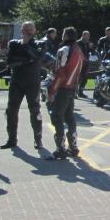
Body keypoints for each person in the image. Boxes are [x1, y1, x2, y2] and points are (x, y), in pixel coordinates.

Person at [0, 21, 45, 150]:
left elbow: (37, 57)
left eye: (30, 29)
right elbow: (10, 62)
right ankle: (11, 139)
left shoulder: (40, 43)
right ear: (21, 31)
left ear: (35, 31)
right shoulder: (14, 43)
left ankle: (38, 140)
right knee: (11, 111)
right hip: (17, 82)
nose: (28, 32)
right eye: (25, 30)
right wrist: (27, 59)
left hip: (33, 82)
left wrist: (25, 48)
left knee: (35, 111)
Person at [47, 27, 85, 160]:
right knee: (70, 117)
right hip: (72, 87)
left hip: (62, 88)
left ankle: (60, 149)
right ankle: (73, 147)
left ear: (66, 36)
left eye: (63, 34)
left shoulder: (64, 50)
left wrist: (52, 90)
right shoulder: (79, 50)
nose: (61, 36)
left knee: (57, 117)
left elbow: (60, 72)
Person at [76, 30, 93, 98]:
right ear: (82, 35)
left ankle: (81, 92)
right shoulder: (77, 43)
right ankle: (74, 92)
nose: (87, 37)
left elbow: (91, 52)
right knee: (77, 77)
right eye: (86, 35)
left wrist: (91, 47)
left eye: (88, 36)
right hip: (78, 62)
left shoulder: (88, 43)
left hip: (86, 62)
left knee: (85, 78)